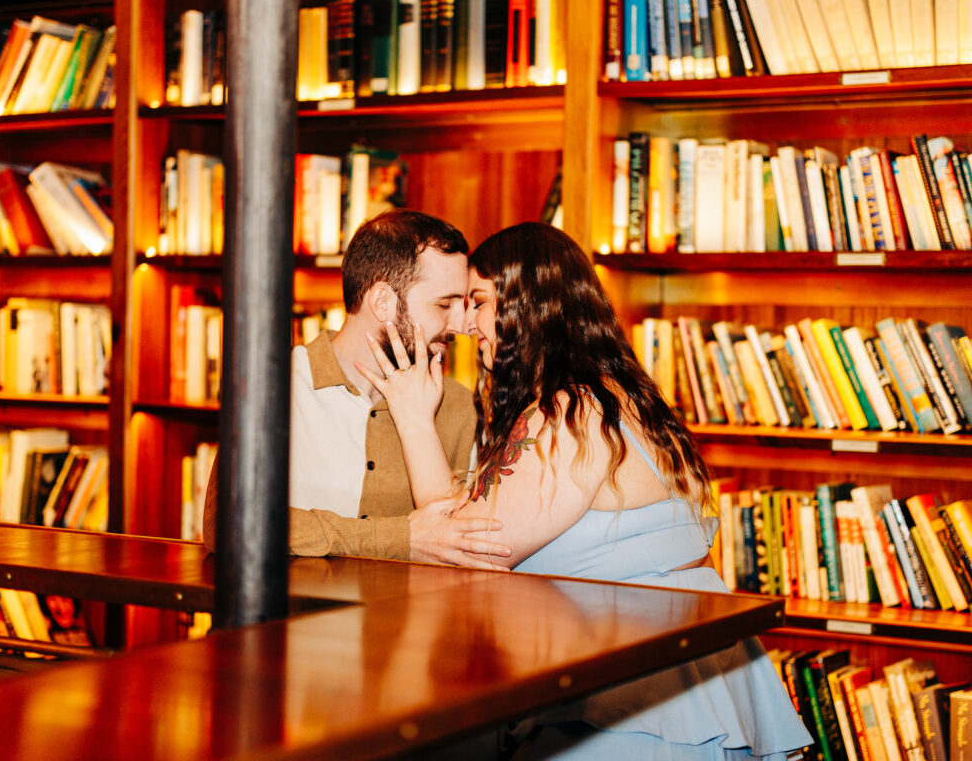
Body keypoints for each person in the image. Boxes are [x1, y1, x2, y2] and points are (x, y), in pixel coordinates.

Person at [356, 222, 813, 760]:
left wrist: (413, 418)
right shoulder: (615, 397)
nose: (462, 323)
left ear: (529, 303)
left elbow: (460, 547)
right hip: (678, 672)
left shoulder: (569, 411)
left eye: (478, 301)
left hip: (637, 695)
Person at [203, 209, 511, 568]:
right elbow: (226, 524)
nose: (461, 324)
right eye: (443, 304)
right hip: (292, 623)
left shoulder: (459, 405)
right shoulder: (272, 385)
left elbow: (462, 546)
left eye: (463, 305)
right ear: (382, 302)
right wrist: (400, 540)